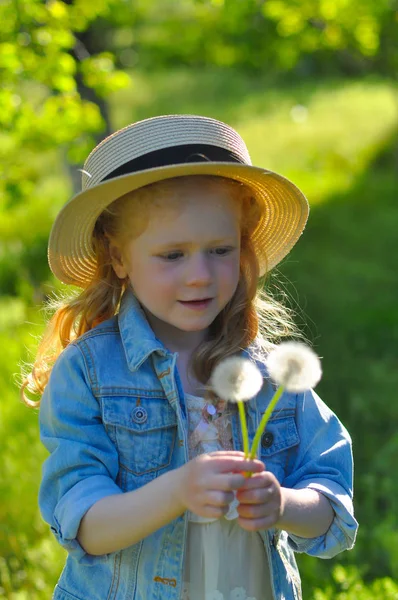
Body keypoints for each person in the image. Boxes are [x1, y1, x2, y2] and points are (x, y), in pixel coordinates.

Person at [23, 114, 358, 600]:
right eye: (173, 255)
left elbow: (333, 496)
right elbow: (84, 524)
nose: (200, 275)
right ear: (118, 257)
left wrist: (283, 504)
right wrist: (179, 490)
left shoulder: (270, 374)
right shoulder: (89, 373)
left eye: (220, 250)